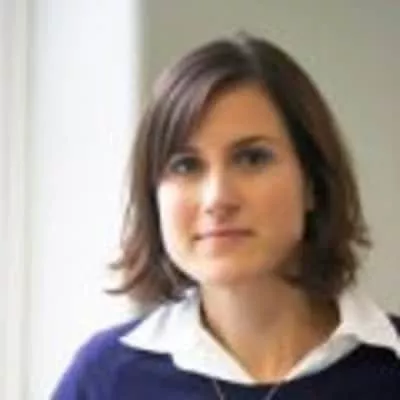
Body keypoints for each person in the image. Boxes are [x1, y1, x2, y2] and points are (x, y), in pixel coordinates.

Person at [53, 33, 400, 399]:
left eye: (252, 158)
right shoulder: (105, 380)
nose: (217, 198)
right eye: (186, 165)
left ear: (312, 183)